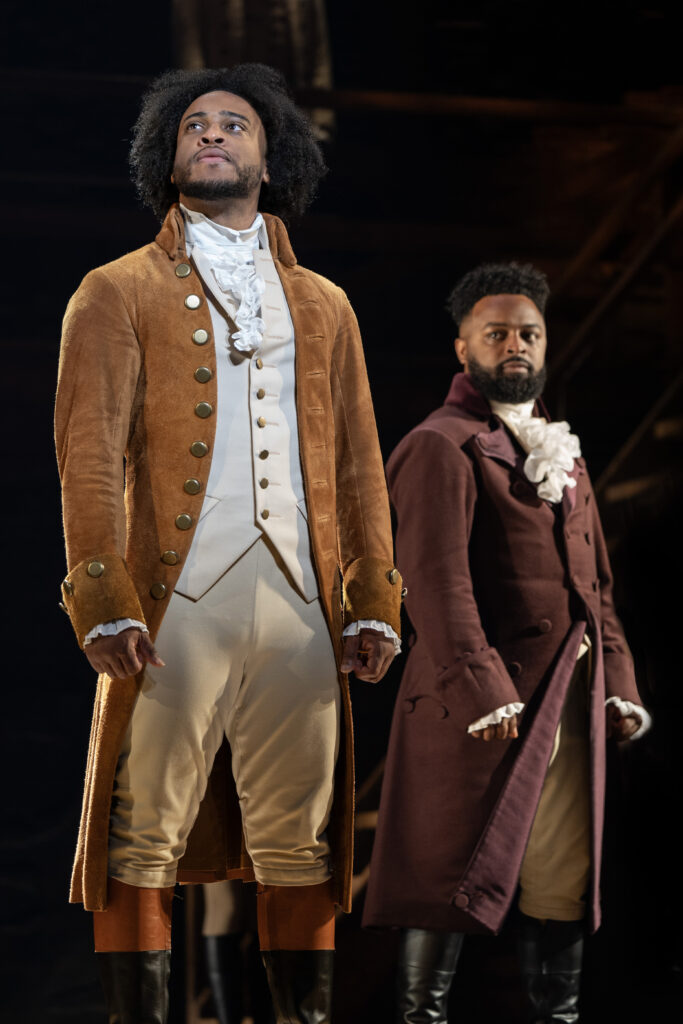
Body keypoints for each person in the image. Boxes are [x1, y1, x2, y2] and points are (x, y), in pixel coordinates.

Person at [55, 64, 402, 1024]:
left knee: (304, 840)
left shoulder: (325, 304)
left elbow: (361, 463)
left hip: (301, 603)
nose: (213, 134)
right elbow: (88, 457)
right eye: (194, 126)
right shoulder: (114, 289)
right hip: (176, 602)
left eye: (234, 124)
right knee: (141, 837)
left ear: (271, 156)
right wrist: (102, 597)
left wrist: (374, 596)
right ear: (166, 161)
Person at [362, 262, 649, 1023]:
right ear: (463, 349)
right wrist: (481, 687)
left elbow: (597, 588)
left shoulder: (564, 452)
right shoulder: (439, 444)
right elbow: (434, 580)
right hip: (481, 706)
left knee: (560, 879)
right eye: (496, 334)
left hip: (569, 698)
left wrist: (618, 681)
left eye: (528, 333)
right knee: (444, 881)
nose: (515, 344)